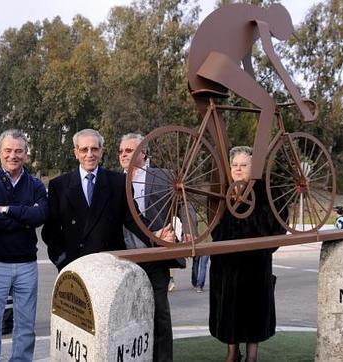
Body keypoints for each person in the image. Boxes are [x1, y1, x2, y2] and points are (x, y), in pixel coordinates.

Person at [188, 3, 315, 182]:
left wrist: (259, 110)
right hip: (214, 65)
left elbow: (248, 68)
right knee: (269, 104)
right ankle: (255, 177)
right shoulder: (260, 21)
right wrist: (301, 105)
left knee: (222, 149)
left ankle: (225, 196)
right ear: (278, 21)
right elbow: (272, 56)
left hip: (199, 73)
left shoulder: (246, 25)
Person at [43, 128, 174, 271]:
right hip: (75, 267)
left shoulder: (119, 182)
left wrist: (155, 235)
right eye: (84, 150)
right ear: (76, 153)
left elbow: (134, 220)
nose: (89, 154)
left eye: (94, 149)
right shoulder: (59, 186)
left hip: (111, 265)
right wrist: (62, 260)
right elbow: (50, 231)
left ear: (101, 151)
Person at [0, 129, 48, 361]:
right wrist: (25, 218)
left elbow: (40, 217)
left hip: (27, 266)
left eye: (18, 151)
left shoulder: (35, 185)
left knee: (25, 328)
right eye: (8, 150)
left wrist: (7, 210)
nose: (13, 155)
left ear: (26, 154)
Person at [208, 146, 287, 362]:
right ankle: (232, 352)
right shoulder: (221, 190)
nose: (238, 169)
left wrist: (262, 249)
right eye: (235, 165)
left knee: (254, 311)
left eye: (244, 165)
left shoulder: (266, 191)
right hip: (226, 263)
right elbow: (212, 224)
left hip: (255, 264)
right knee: (228, 311)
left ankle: (252, 356)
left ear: (254, 168)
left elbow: (279, 225)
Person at [118, 133, 189, 362]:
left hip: (155, 256)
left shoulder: (163, 177)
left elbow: (185, 203)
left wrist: (189, 230)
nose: (123, 155)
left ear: (143, 152)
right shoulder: (113, 181)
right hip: (124, 258)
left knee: (159, 314)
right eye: (120, 151)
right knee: (127, 317)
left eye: (129, 150)